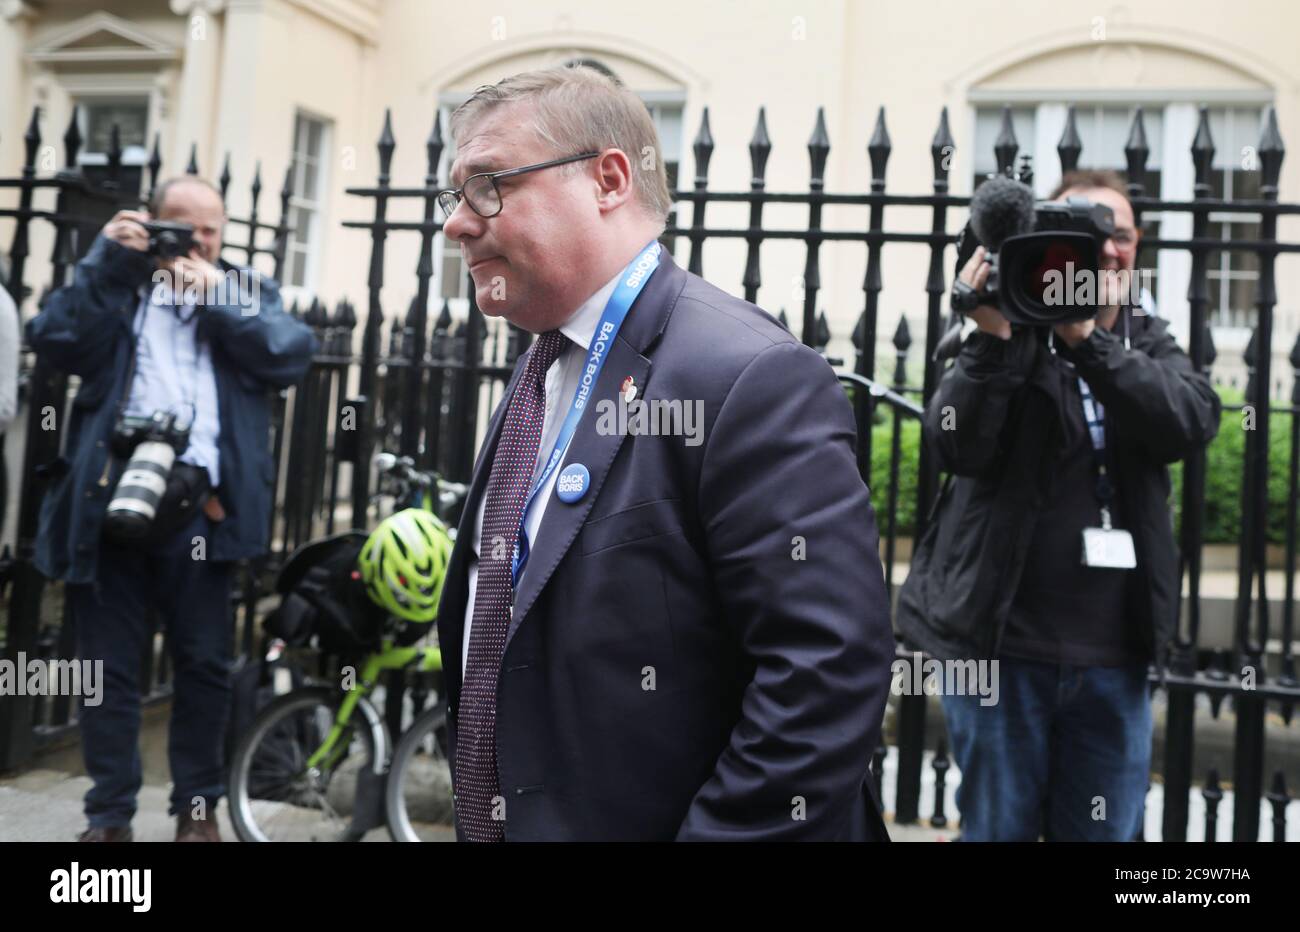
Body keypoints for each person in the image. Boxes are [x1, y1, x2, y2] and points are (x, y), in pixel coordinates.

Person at [434, 65, 894, 841]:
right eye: (454, 196)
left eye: (488, 185)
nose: (456, 224)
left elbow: (825, 676)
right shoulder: (542, 369)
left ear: (609, 179)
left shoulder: (750, 376)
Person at [897, 169, 1221, 841]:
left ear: (1136, 248)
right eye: (1087, 235)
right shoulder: (1006, 324)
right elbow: (955, 445)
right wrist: (994, 339)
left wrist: (1085, 338)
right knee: (998, 830)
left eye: (1120, 235)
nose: (1107, 250)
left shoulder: (1146, 337)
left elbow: (1189, 421)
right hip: (1000, 649)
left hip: (1115, 657)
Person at [26, 176, 316, 842]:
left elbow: (289, 353)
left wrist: (218, 298)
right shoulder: (119, 284)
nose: (198, 242)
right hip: (110, 501)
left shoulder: (241, 289)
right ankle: (108, 818)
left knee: (204, 666)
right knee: (106, 671)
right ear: (151, 225)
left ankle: (197, 811)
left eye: (210, 230)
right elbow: (56, 338)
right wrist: (108, 262)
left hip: (203, 512)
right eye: (182, 228)